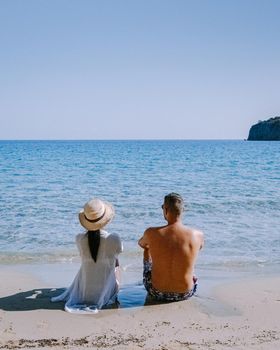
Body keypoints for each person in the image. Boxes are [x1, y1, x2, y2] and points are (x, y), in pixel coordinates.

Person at [51, 198, 123, 313]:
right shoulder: (113, 238)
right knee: (116, 260)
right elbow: (118, 253)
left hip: (83, 291)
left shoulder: (79, 238)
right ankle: (113, 289)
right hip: (106, 292)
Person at [138, 193, 204, 302]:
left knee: (147, 249)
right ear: (182, 210)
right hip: (186, 293)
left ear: (166, 209)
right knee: (189, 255)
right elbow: (200, 247)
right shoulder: (198, 235)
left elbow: (141, 244)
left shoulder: (151, 232)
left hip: (156, 291)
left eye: (162, 207)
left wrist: (153, 246)